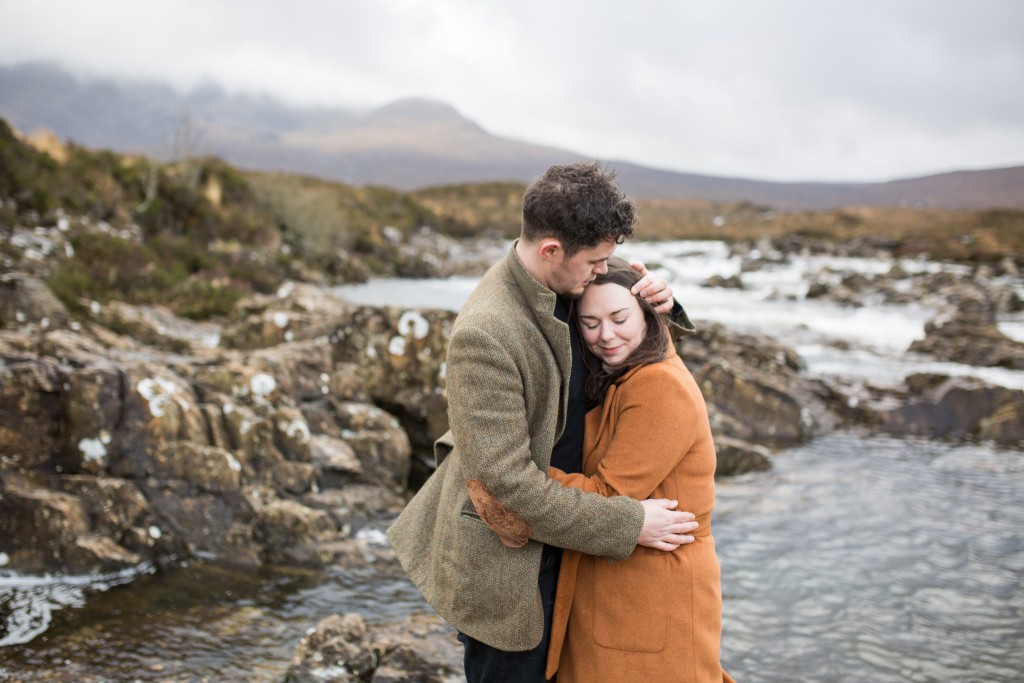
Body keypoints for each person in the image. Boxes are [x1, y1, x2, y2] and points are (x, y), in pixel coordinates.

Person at [387, 162, 699, 682]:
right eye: (597, 262)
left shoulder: (576, 265)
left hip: (574, 537)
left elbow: (625, 318)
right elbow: (506, 484)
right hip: (508, 560)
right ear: (551, 249)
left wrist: (662, 303)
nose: (604, 270)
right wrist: (631, 523)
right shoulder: (486, 333)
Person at [541, 256, 733, 682]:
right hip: (625, 582)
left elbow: (611, 496)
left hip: (648, 589)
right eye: (589, 323)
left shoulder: (658, 385)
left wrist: (520, 476)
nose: (605, 335)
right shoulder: (628, 370)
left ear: (649, 315)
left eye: (620, 317)